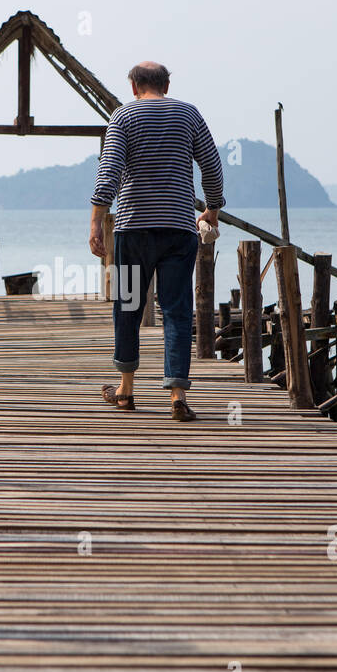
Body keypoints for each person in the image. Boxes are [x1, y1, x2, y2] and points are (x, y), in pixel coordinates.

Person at [88, 61, 225, 421]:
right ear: (166, 84)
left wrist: (96, 225)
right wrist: (212, 210)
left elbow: (109, 173)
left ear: (133, 86)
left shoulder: (122, 116)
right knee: (177, 311)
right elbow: (211, 166)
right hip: (179, 229)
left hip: (133, 230)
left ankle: (126, 390)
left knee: (127, 306)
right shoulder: (188, 114)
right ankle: (177, 395)